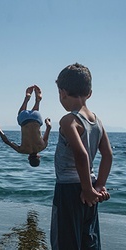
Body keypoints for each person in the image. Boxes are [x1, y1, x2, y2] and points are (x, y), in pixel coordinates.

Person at [50, 63, 112, 249]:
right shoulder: (97, 121)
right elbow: (108, 155)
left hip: (69, 191)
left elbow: (81, 153)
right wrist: (98, 185)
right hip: (90, 188)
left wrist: (86, 189)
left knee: (65, 242)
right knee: (89, 241)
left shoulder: (69, 120)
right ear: (89, 93)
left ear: (62, 93)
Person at [0, 85, 51, 167]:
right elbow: (7, 141)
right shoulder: (22, 150)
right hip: (24, 120)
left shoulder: (43, 147)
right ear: (28, 158)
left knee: (35, 114)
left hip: (36, 118)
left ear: (39, 156)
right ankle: (26, 100)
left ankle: (37, 101)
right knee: (21, 113)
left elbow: (48, 127)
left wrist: (47, 121)